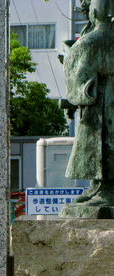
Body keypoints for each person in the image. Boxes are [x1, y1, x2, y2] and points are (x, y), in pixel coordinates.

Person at [61, 0, 114, 213]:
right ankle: (98, 186)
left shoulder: (90, 42)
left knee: (99, 143)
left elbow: (77, 72)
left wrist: (78, 94)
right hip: (103, 99)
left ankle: (105, 188)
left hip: (101, 102)